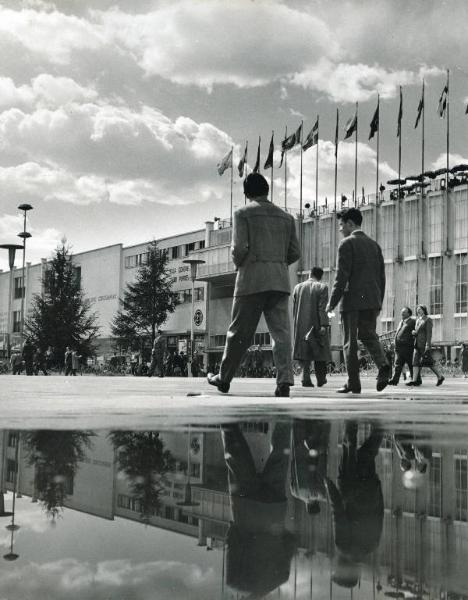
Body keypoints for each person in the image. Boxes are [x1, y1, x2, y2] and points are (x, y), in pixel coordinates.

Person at [207, 172, 300, 397]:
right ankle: (284, 380)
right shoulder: (287, 218)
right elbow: (294, 252)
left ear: (247, 193)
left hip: (251, 278)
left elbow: (239, 248)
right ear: (267, 190)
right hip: (279, 280)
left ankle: (224, 378)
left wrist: (244, 264)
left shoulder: (243, 213)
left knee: (238, 332)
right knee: (281, 333)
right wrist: (276, 263)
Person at [221, 422, 296, 598]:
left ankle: (284, 416)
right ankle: (227, 421)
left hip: (273, 510)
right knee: (235, 457)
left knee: (280, 456)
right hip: (246, 509)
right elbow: (233, 541)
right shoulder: (235, 581)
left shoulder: (279, 579)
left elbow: (290, 542)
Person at [325, 207, 390, 394]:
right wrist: (379, 302)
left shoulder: (347, 244)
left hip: (352, 301)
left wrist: (331, 304)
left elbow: (341, 277)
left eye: (341, 225)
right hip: (372, 300)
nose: (340, 229)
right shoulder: (374, 245)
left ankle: (353, 382)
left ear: (350, 224)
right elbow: (382, 277)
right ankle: (383, 364)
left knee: (350, 342)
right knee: (369, 335)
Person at [325, 421, 384, 589]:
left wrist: (377, 488)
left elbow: (380, 514)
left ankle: (382, 425)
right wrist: (328, 485)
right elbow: (338, 512)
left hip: (369, 490)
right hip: (349, 488)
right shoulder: (342, 547)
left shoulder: (372, 546)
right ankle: (351, 415)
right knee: (349, 447)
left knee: (367, 454)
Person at [292, 266, 331, 387]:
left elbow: (294, 308)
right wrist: (324, 324)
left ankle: (305, 378)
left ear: (310, 274)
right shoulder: (322, 287)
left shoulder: (298, 287)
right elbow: (322, 308)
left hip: (301, 324)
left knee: (304, 351)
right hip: (316, 324)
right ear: (321, 276)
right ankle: (321, 378)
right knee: (320, 350)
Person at [407, 304, 444, 387]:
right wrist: (414, 333)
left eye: (420, 309)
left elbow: (429, 334)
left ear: (424, 310)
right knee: (415, 362)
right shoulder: (417, 320)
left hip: (424, 345)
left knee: (429, 363)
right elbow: (417, 332)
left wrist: (428, 345)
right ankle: (414, 381)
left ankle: (440, 377)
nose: (418, 311)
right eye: (417, 309)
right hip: (416, 344)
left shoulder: (428, 319)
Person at [389, 307, 416, 386]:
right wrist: (394, 342)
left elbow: (417, 332)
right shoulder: (401, 322)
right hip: (399, 348)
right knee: (397, 364)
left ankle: (416, 380)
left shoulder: (412, 322)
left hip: (407, 348)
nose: (402, 314)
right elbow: (397, 333)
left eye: (404, 312)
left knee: (411, 364)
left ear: (409, 314)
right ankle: (394, 380)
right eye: (402, 312)